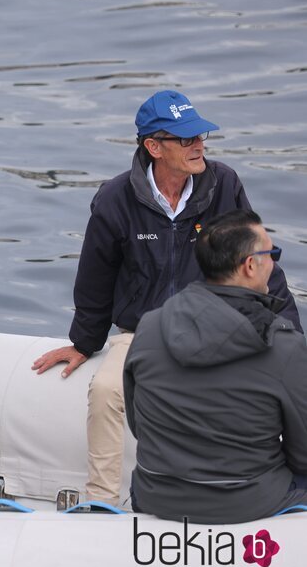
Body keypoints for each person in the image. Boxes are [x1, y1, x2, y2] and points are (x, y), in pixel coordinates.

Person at [30, 90, 302, 506]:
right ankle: (101, 501)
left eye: (201, 136)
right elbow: (94, 278)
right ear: (153, 147)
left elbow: (258, 258)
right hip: (140, 333)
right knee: (105, 391)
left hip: (219, 324)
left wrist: (291, 337)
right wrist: (85, 342)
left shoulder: (223, 184)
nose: (199, 146)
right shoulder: (114, 199)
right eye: (185, 139)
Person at [125, 209, 307, 524]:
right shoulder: (285, 346)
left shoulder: (150, 327)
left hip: (155, 495)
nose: (274, 262)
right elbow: (303, 456)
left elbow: (138, 425)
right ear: (251, 266)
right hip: (247, 502)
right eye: (272, 253)